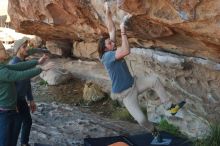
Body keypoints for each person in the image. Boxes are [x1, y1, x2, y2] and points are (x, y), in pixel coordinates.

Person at [98, 2, 185, 140]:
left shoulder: (111, 49)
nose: (113, 43)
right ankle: (154, 132)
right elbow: (126, 50)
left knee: (155, 81)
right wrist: (123, 30)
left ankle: (169, 107)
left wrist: (107, 11)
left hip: (135, 83)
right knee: (141, 120)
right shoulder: (107, 57)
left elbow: (110, 29)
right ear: (105, 49)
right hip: (126, 95)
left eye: (112, 42)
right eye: (110, 43)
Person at [0, 39, 52, 146]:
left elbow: (19, 67)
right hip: (6, 111)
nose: (5, 49)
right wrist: (40, 69)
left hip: (12, 108)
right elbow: (19, 75)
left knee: (14, 136)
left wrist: (37, 62)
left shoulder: (3, 67)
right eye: (1, 48)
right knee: (6, 141)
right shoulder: (3, 70)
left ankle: (24, 143)